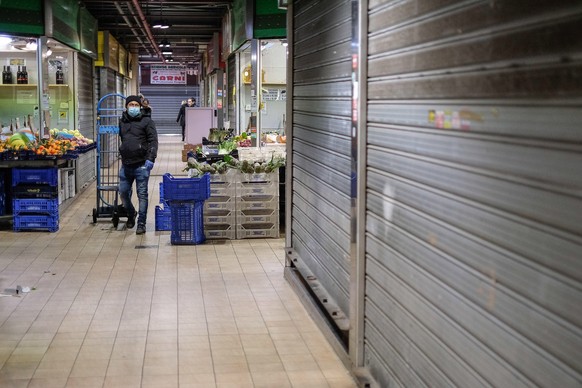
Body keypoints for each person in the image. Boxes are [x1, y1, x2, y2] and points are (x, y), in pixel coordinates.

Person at [118, 95, 158, 235]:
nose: (133, 107)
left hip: (141, 164)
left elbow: (153, 141)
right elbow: (123, 139)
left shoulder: (147, 121)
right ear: (126, 106)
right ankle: (131, 213)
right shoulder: (122, 122)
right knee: (123, 192)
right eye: (131, 105)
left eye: (136, 104)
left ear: (140, 106)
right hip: (126, 164)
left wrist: (151, 158)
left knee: (142, 195)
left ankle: (141, 223)